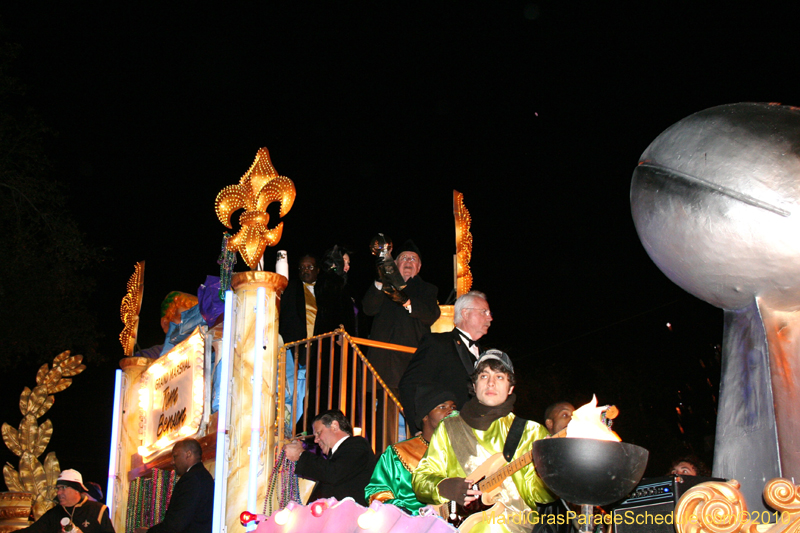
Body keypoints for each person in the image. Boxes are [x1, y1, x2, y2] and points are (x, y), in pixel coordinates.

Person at [413, 350, 555, 533]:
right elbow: (421, 478)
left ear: (511, 388)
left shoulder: (531, 432)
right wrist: (445, 486)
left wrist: (550, 474)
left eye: (500, 377)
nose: (491, 383)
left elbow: (538, 495)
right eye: (484, 375)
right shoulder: (449, 428)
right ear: (474, 385)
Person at [399, 291, 492, 435]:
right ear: (465, 313)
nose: (490, 318)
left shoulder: (487, 356)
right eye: (484, 312)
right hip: (447, 435)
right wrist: (418, 429)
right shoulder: (438, 343)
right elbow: (409, 384)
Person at [362, 240, 440, 393]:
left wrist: (406, 302)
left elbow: (431, 315)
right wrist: (379, 280)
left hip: (411, 363)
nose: (408, 262)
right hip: (382, 363)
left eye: (413, 259)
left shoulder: (427, 289)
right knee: (383, 413)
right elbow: (368, 309)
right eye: (404, 258)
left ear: (419, 266)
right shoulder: (383, 286)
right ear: (395, 263)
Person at [365, 387, 456, 514]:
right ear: (425, 416)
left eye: (453, 407)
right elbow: (378, 493)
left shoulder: (462, 449)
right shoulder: (398, 453)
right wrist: (404, 513)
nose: (450, 411)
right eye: (442, 407)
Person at [284, 410, 376, 505]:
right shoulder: (335, 457)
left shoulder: (357, 444)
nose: (316, 440)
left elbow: (333, 473)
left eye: (319, 433)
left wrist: (300, 455)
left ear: (334, 426)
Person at [143, 438, 214, 533]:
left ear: (188, 454)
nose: (172, 462)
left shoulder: (191, 479)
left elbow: (177, 523)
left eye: (175, 456)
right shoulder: (204, 476)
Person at [21, 469, 114, 533]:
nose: (59, 492)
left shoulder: (97, 510)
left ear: (76, 489)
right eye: (58, 488)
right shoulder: (54, 513)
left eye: (63, 488)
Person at [279, 254, 319, 349]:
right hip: (296, 345)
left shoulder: (324, 290)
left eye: (310, 267)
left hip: (319, 344)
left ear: (317, 270)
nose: (305, 270)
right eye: (302, 267)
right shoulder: (292, 288)